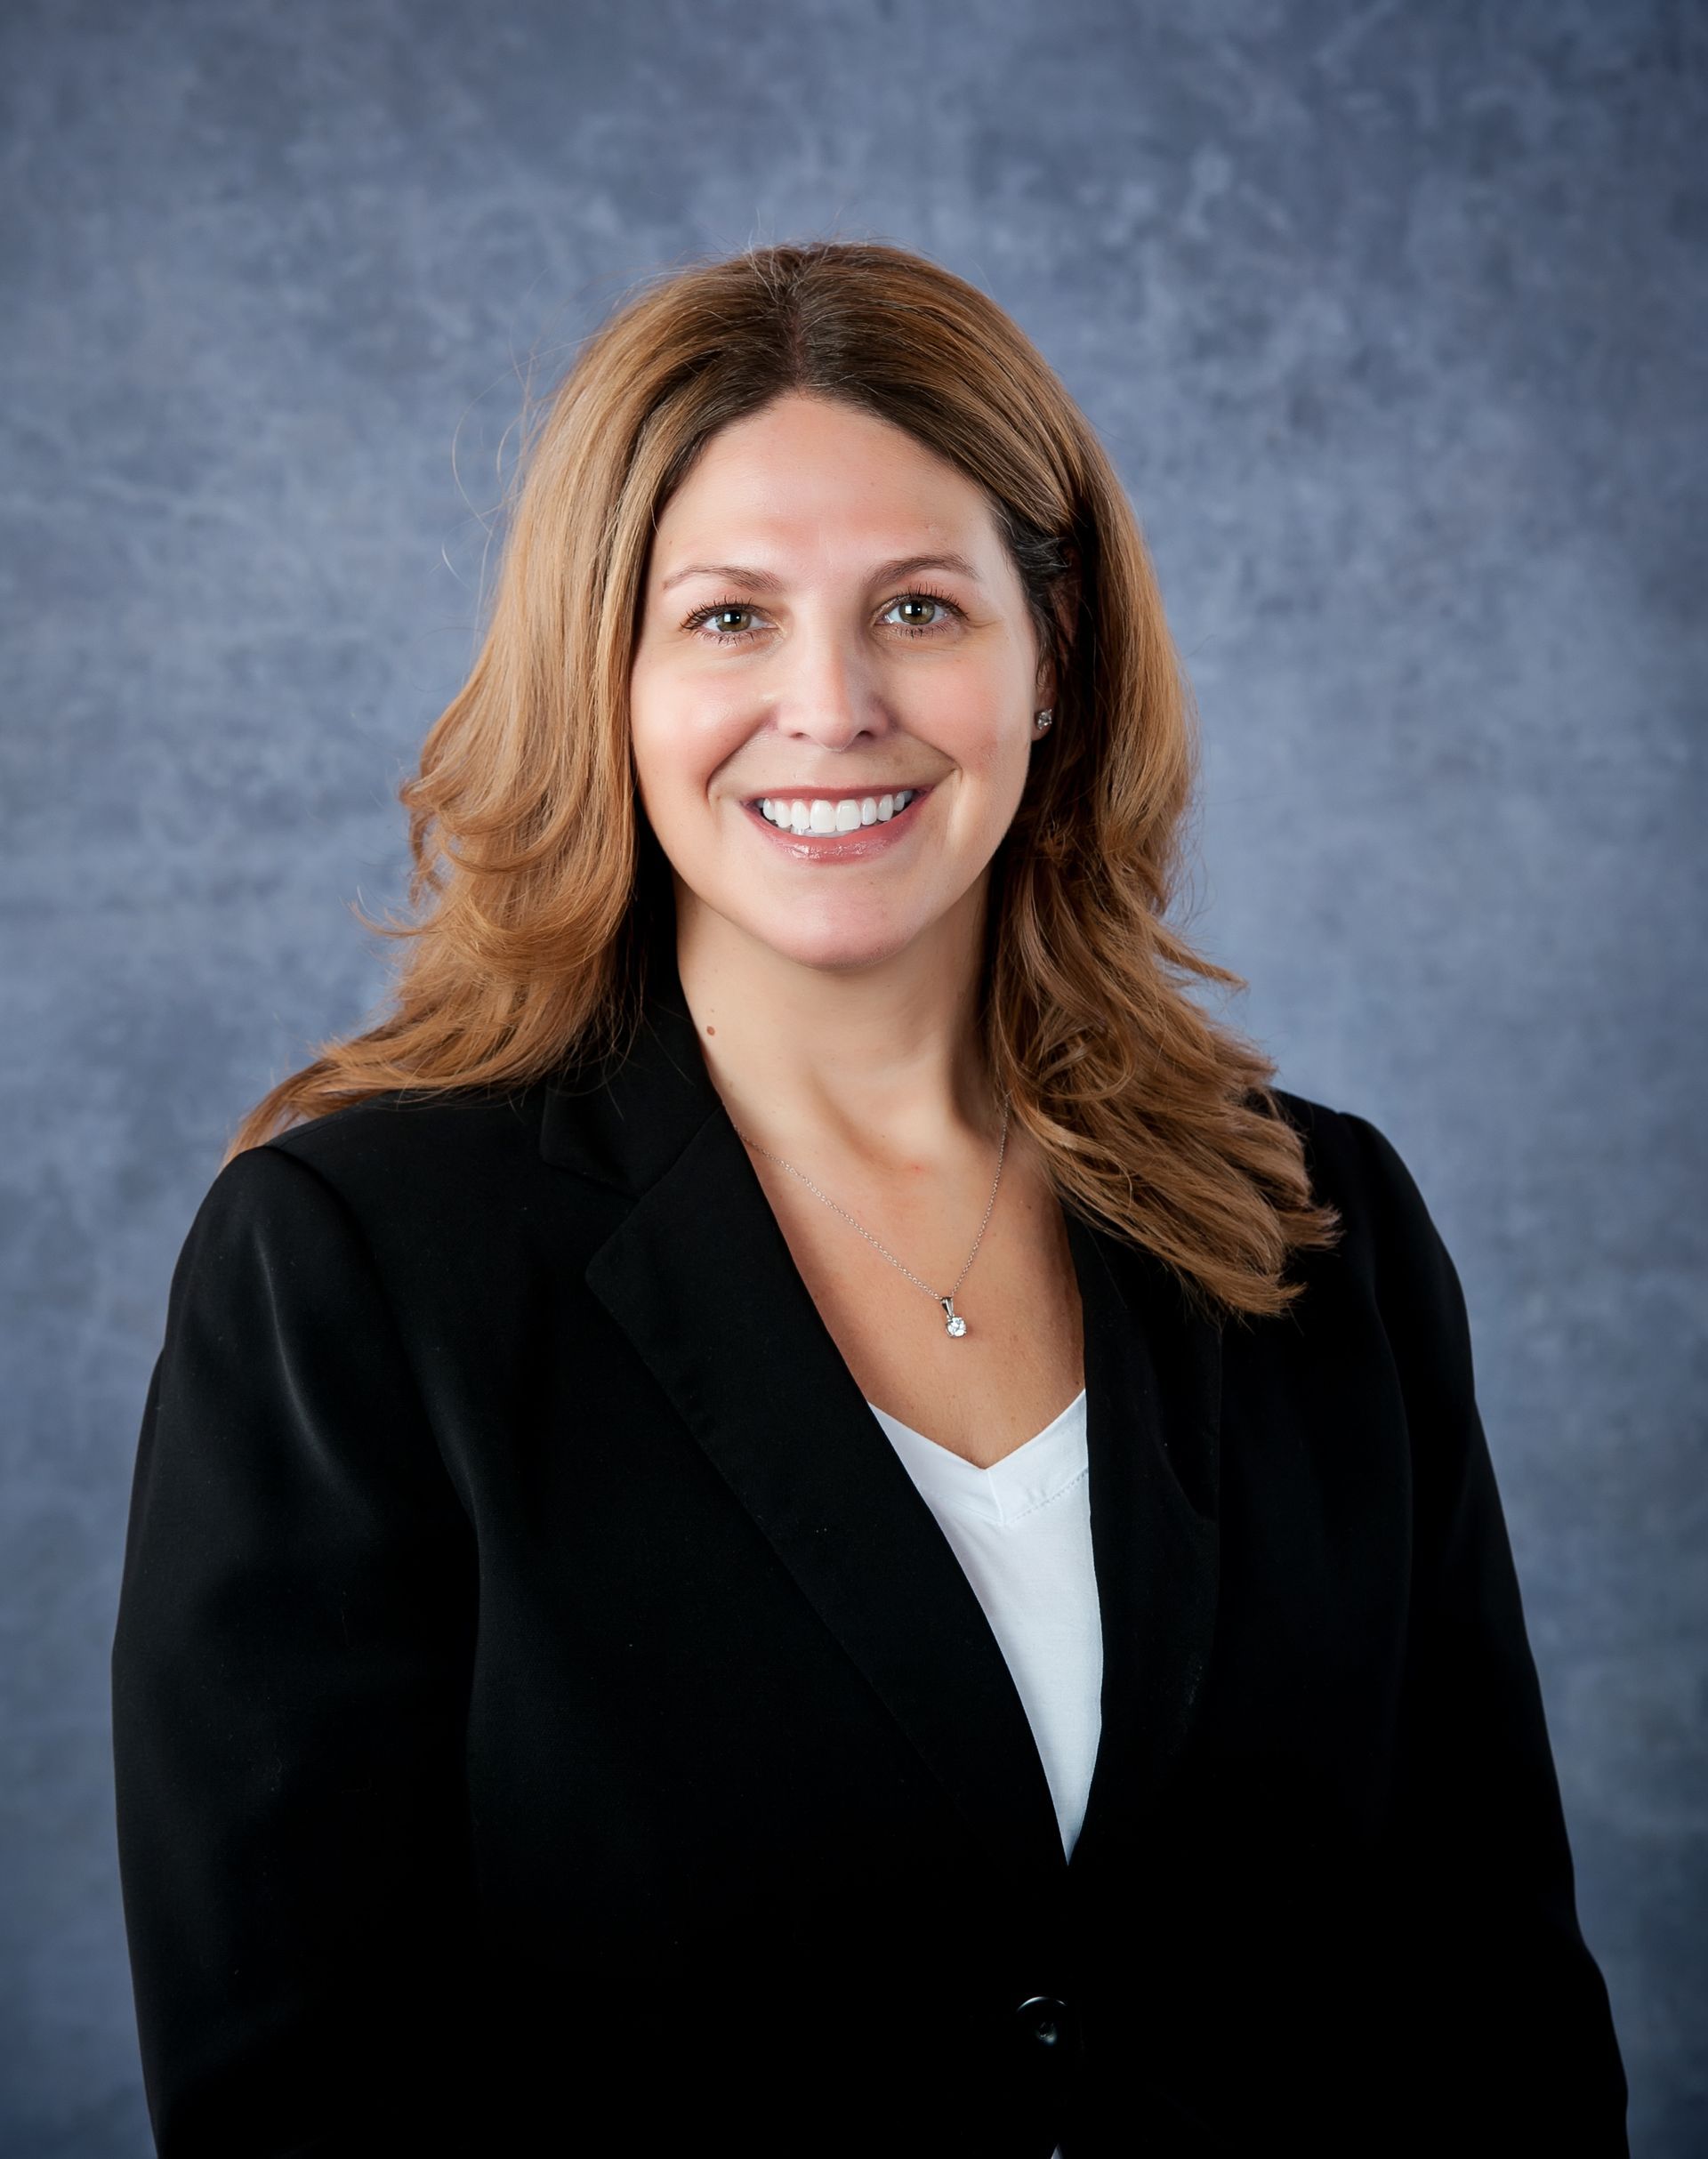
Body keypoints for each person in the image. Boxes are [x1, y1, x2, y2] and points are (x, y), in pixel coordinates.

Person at [110, 238, 1629, 2158]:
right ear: (611, 676)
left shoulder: (1324, 1229)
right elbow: (299, 2103)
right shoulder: (351, 1268)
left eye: (918, 605)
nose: (830, 706)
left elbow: (1496, 2020)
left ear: (1053, 659)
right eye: (728, 618)